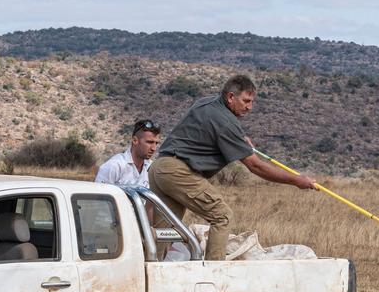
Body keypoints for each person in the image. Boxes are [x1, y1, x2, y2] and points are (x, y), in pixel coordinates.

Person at [150, 74, 315, 261]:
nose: (249, 107)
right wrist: (297, 180)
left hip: (159, 168)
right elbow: (256, 166)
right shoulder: (226, 122)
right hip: (178, 171)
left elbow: (210, 133)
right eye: (246, 101)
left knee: (165, 230)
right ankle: (215, 273)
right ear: (230, 97)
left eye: (252, 102)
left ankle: (151, 272)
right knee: (222, 216)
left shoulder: (207, 103)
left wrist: (241, 142)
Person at [95, 119, 161, 190]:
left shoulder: (152, 168)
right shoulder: (114, 166)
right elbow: (98, 197)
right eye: (149, 142)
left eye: (156, 143)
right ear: (135, 140)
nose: (154, 148)